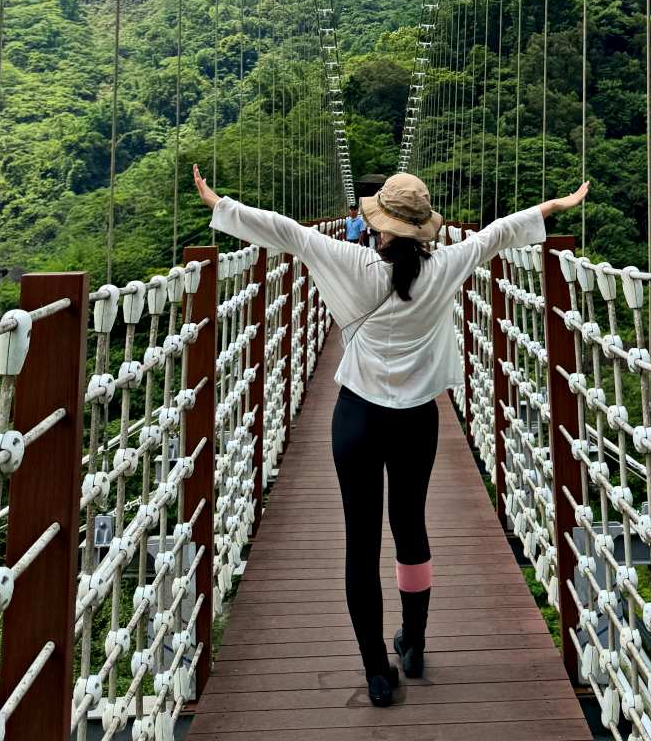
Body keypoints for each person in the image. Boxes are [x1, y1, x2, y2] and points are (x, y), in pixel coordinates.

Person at [192, 161, 589, 708]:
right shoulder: (448, 265)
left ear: (378, 227)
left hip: (356, 421)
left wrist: (220, 206)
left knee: (361, 543)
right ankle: (416, 642)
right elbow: (500, 233)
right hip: (416, 422)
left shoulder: (350, 263)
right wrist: (554, 207)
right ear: (425, 228)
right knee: (410, 528)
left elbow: (286, 230)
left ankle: (377, 673)